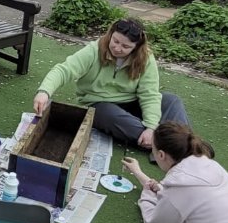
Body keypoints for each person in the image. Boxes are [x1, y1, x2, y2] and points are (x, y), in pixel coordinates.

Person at [34, 17, 189, 152]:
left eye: (126, 47)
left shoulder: (146, 58)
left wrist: (151, 127)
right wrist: (44, 92)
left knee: (171, 100)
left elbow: (149, 94)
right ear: (110, 34)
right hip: (100, 105)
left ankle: (176, 143)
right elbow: (64, 70)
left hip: (132, 103)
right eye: (115, 41)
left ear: (137, 48)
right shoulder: (94, 50)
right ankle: (170, 147)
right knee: (107, 115)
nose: (117, 48)